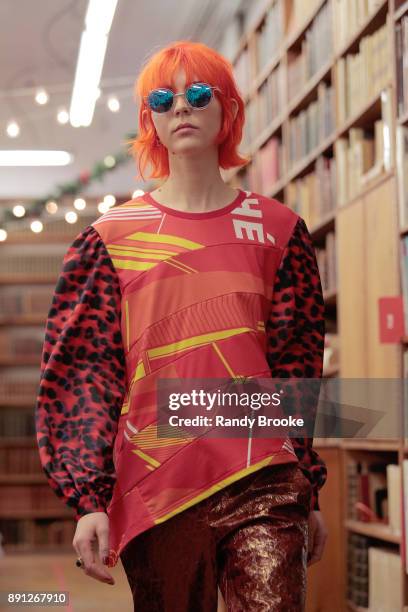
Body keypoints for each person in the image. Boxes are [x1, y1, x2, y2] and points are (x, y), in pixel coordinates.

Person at [35, 40, 328, 611]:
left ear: (228, 112)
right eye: (163, 100)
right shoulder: (108, 240)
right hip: (158, 482)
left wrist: (307, 484)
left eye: (198, 94)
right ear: (150, 120)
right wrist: (89, 498)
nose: (182, 109)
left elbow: (298, 366)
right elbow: (83, 376)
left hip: (263, 475)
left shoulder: (279, 230)